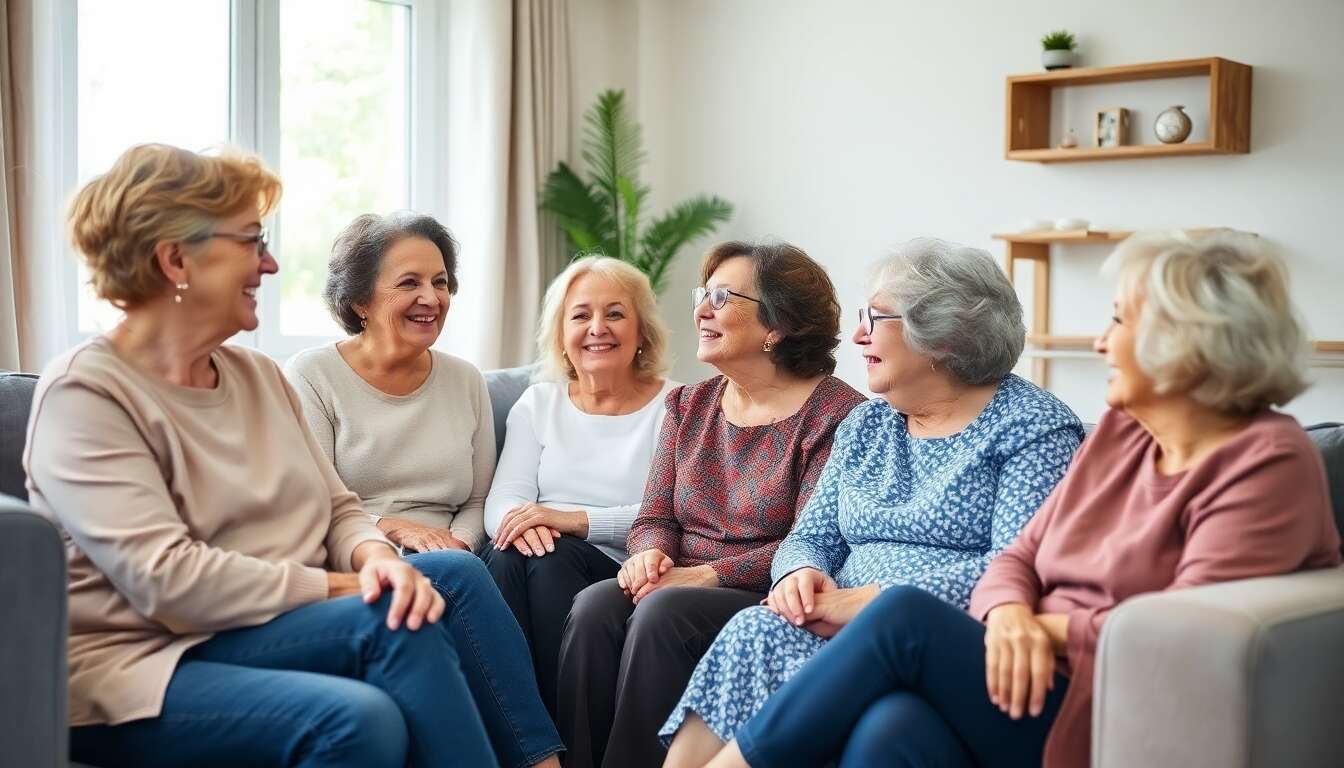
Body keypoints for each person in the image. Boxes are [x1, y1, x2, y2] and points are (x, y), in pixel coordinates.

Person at [692, 231, 1341, 768]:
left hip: (1093, 690)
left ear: (1190, 339)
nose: (1101, 341)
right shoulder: (1124, 436)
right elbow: (1019, 557)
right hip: (1014, 664)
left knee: (904, 618)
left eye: (1120, 320)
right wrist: (1006, 611)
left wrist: (1032, 626)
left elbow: (1177, 634)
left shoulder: (1267, 460)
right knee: (892, 726)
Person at [26, 144, 562, 767]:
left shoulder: (258, 377)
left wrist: (374, 557)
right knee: (364, 703)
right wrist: (350, 583)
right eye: (251, 242)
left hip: (255, 627)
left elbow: (339, 508)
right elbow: (168, 581)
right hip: (139, 663)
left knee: (421, 602)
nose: (271, 264)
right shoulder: (88, 392)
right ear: (175, 260)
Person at [661, 239, 1083, 766]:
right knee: (753, 630)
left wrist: (867, 601)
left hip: (939, 644)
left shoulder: (1032, 426)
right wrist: (801, 573)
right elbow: (811, 535)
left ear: (942, 335)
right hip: (832, 624)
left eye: (876, 319)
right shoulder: (867, 423)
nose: (858, 335)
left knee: (888, 721)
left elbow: (1016, 564)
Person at [555, 241, 867, 768]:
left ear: (777, 326)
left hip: (766, 591)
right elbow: (655, 515)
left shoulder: (837, 416)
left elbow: (812, 542)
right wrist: (649, 555)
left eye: (721, 297)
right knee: (594, 608)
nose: (701, 309)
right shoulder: (689, 403)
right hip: (677, 577)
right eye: (703, 294)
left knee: (662, 612)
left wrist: (708, 575)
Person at [482, 255, 678, 717]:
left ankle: (553, 734)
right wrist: (529, 525)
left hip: (625, 566)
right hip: (537, 555)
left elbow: (673, 514)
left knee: (548, 557)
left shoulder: (677, 404)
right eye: (581, 315)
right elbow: (504, 497)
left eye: (615, 313)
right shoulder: (539, 402)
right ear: (561, 335)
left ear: (642, 332)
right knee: (504, 554)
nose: (597, 328)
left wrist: (568, 521)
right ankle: (519, 731)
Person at [285, 212, 494, 554]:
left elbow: (478, 501)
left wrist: (458, 548)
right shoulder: (313, 374)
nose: (432, 299)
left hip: (456, 559)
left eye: (440, 282)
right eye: (409, 283)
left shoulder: (466, 379)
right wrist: (392, 527)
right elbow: (312, 501)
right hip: (362, 554)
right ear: (360, 301)